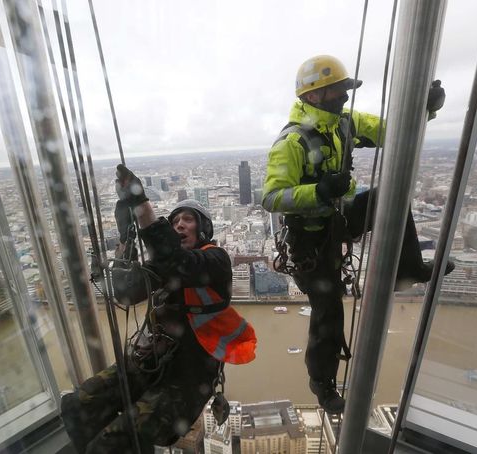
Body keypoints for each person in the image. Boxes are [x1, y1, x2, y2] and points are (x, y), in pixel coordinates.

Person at [262, 55, 453, 414]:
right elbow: (271, 197)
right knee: (328, 310)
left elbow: (391, 132)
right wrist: (318, 192)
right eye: (336, 90)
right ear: (314, 95)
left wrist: (422, 111)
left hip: (337, 219)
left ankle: (408, 269)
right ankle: (322, 383)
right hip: (309, 240)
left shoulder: (344, 125)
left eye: (343, 90)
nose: (343, 97)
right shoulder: (291, 143)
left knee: (390, 195)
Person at [61, 164, 256, 453]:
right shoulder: (163, 268)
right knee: (77, 404)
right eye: (174, 220)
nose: (179, 224)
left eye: (188, 220)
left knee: (115, 439)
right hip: (149, 362)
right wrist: (125, 239)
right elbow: (127, 293)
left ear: (204, 229)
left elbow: (179, 263)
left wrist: (142, 207)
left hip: (187, 380)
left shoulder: (215, 261)